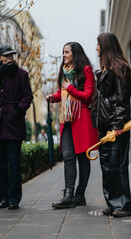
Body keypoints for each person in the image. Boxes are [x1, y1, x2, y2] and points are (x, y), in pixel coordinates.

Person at [0, 45, 33, 210]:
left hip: (14, 123)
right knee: (0, 163)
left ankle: (14, 198)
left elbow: (27, 95)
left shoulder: (21, 74)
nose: (10, 58)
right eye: (6, 56)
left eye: (11, 55)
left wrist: (19, 109)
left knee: (14, 163)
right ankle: (2, 197)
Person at [46, 42, 98, 209]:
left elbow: (88, 96)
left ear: (75, 53)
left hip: (82, 119)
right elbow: (63, 94)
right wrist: (53, 97)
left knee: (83, 157)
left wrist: (70, 88)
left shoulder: (86, 70)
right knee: (68, 156)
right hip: (67, 119)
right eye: (63, 52)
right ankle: (69, 195)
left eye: (66, 52)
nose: (63, 55)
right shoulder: (64, 72)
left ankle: (80, 195)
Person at [91, 32, 131, 218]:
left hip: (116, 127)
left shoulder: (120, 69)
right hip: (105, 125)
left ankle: (123, 205)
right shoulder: (105, 71)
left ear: (106, 46)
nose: (96, 48)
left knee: (117, 166)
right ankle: (112, 202)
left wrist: (118, 124)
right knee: (107, 166)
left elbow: (121, 100)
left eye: (98, 44)